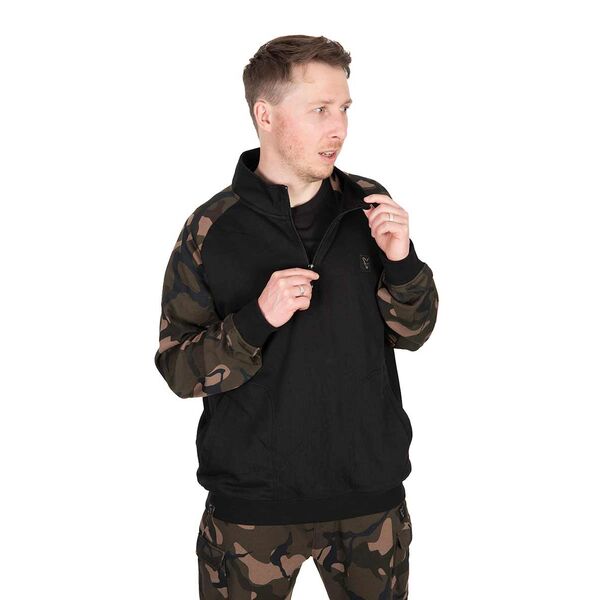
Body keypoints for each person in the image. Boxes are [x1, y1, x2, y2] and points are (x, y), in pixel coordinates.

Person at [154, 34, 438, 599]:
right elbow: (179, 371)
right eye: (319, 110)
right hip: (251, 510)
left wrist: (403, 262)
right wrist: (256, 320)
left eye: (344, 108)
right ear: (265, 116)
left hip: (369, 501)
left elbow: (415, 332)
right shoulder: (211, 230)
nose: (339, 128)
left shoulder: (368, 206)